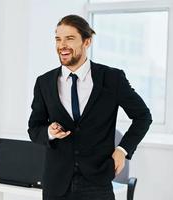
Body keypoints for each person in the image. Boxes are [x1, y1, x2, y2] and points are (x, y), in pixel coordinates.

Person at [28, 14, 152, 200]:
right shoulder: (44, 82)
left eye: (70, 38)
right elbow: (34, 129)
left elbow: (143, 116)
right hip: (56, 184)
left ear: (87, 42)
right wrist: (50, 132)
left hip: (97, 183)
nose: (62, 45)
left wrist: (122, 150)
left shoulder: (112, 79)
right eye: (58, 39)